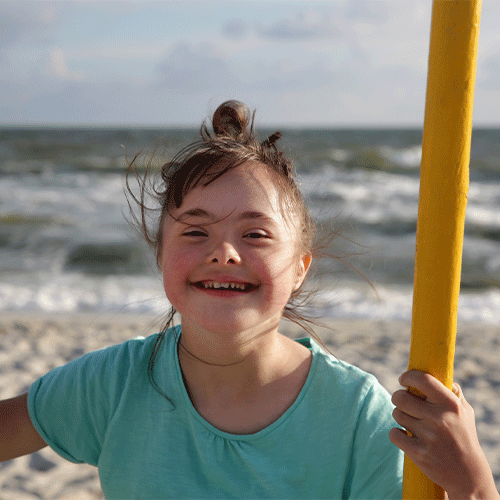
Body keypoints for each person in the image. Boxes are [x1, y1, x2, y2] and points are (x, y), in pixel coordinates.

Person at [0, 101, 497, 499]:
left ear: (301, 267)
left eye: (255, 234)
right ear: (161, 256)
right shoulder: (113, 386)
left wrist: (472, 484)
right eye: (195, 231)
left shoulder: (357, 417)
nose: (223, 252)